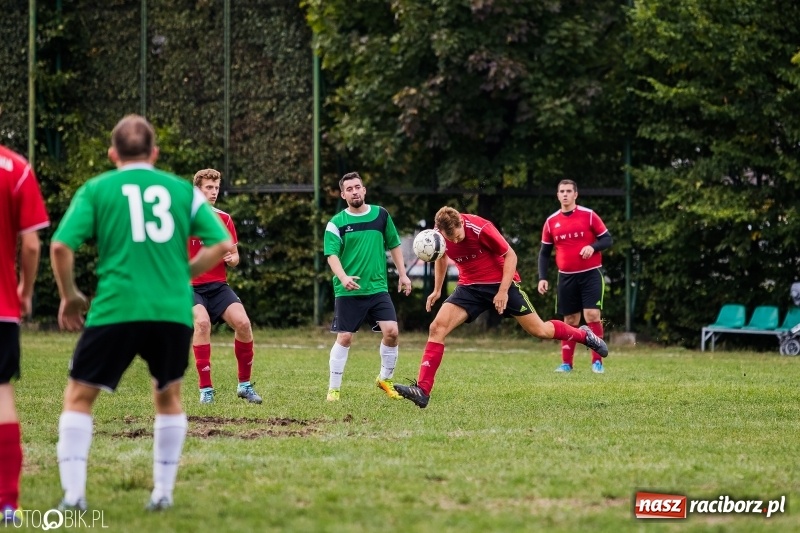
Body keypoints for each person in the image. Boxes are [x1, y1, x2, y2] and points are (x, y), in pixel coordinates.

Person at [50, 115, 232, 512]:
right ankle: (162, 493)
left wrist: (70, 296)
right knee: (168, 396)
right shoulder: (181, 190)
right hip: (170, 311)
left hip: (116, 308)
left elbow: (61, 246)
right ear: (155, 153)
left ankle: (74, 496)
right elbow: (221, 244)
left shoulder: (97, 188)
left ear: (112, 154)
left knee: (79, 397)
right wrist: (183, 272)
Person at [394, 206, 608, 408]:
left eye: (458, 236)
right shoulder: (438, 236)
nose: (456, 241)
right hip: (469, 288)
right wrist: (437, 290)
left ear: (461, 223)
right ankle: (423, 390)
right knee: (436, 328)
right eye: (451, 239)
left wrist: (503, 291)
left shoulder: (480, 228)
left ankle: (584, 335)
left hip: (500, 283)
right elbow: (441, 256)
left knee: (540, 331)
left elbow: (510, 255)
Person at [323, 172, 412, 402]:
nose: (354, 192)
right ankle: (334, 389)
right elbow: (331, 255)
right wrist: (343, 277)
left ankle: (385, 379)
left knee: (392, 332)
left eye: (357, 187)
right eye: (349, 189)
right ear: (343, 195)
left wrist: (403, 275)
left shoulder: (381, 215)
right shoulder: (336, 223)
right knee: (345, 337)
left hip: (377, 288)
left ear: (364, 190)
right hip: (348, 290)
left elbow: (394, 244)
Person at [0, 145, 49, 523]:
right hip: (2, 307)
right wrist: (26, 291)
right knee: (2, 396)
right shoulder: (15, 169)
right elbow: (31, 244)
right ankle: (7, 503)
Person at [190, 169, 262, 405]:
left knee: (243, 324)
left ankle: (244, 385)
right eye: (209, 188)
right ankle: (206, 390)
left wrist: (232, 259)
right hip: (189, 287)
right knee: (202, 323)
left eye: (216, 188)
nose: (214, 192)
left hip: (218, 286)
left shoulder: (224, 218)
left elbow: (235, 256)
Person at [537, 180, 612, 374]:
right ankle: (566, 364)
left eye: (569, 191)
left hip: (591, 274)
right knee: (570, 320)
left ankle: (597, 362)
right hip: (566, 277)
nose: (565, 194)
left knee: (592, 314)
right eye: (562, 191)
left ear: (575, 194)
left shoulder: (589, 215)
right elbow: (544, 253)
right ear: (557, 195)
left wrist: (593, 247)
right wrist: (542, 277)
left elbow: (607, 239)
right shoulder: (551, 221)